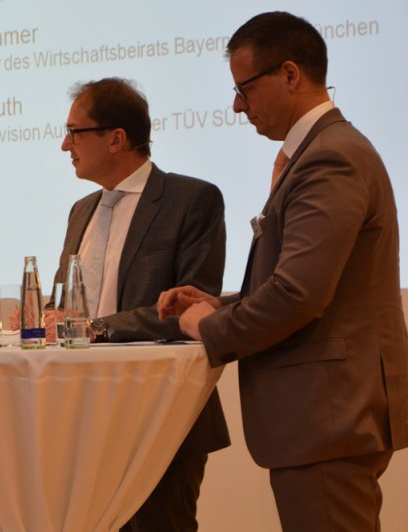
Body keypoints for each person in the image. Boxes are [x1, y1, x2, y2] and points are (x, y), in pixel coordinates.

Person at [157, 11, 408, 530]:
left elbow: (297, 294)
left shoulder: (330, 158)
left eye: (245, 88)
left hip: (328, 415)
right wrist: (219, 303)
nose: (237, 105)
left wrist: (207, 326)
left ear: (290, 74)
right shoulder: (322, 153)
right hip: (327, 415)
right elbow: (310, 282)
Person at [46, 78, 230, 531]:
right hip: (82, 414)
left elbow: (189, 311)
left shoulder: (192, 200)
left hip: (159, 414)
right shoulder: (81, 210)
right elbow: (68, 303)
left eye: (74, 132)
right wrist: (46, 317)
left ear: (116, 138)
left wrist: (95, 329)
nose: (65, 145)